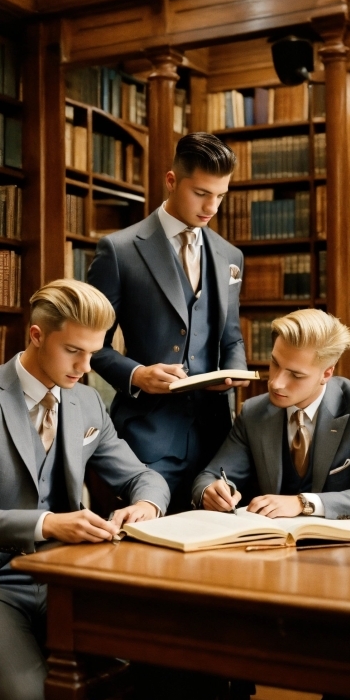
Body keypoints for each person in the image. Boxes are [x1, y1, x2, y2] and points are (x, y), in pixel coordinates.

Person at [0, 279, 170, 700]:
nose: (86, 367)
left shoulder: (87, 400)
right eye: (74, 350)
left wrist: (145, 505)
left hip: (66, 578)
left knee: (167, 665)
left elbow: (144, 476)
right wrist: (48, 523)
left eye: (94, 353)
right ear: (36, 335)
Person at [192, 308, 350, 700]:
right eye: (273, 363)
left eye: (295, 374)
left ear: (327, 372)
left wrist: (303, 503)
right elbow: (208, 475)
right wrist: (211, 490)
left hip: (348, 573)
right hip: (267, 570)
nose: (275, 382)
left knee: (349, 655)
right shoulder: (254, 412)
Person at [88, 132, 249, 514]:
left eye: (221, 195)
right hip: (146, 439)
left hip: (215, 442)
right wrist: (138, 375)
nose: (212, 206)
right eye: (201, 193)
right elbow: (92, 346)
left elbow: (231, 337)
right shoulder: (120, 250)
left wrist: (236, 370)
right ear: (172, 180)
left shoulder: (230, 255)